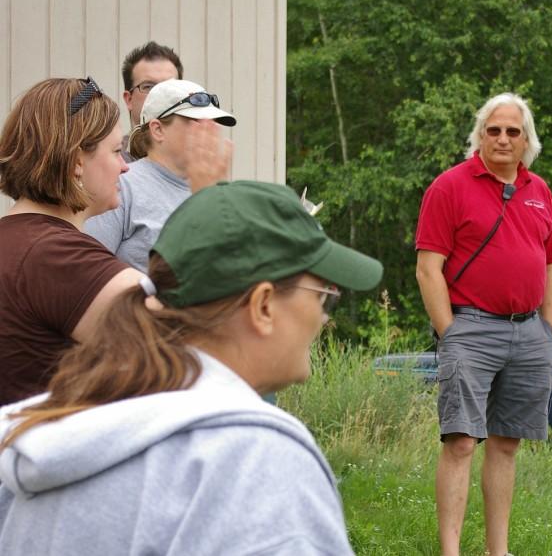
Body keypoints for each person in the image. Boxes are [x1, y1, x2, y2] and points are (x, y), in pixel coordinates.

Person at [0, 180, 383, 555]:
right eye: (322, 297)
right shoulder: (254, 462)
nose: (323, 319)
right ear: (263, 305)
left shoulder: (46, 437)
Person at [415, 92, 552, 555]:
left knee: (506, 444)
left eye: (512, 132)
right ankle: (451, 551)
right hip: (470, 329)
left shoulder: (540, 192)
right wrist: (450, 331)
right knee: (461, 442)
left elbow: (551, 263)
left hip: (529, 333)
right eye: (493, 130)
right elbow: (428, 267)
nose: (502, 138)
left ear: (526, 142)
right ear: (480, 135)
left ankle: (497, 550)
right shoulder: (450, 186)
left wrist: (546, 328)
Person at [0, 77, 142, 406]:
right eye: (117, 151)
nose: (125, 168)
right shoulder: (58, 257)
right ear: (77, 160)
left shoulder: (17, 242)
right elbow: (186, 350)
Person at [85, 78, 236, 271]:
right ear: (157, 130)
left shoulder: (217, 191)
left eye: (212, 123)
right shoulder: (122, 186)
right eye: (196, 122)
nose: (209, 132)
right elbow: (90, 271)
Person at [120, 41, 183, 162]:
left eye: (170, 86)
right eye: (148, 87)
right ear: (129, 99)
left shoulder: (196, 163)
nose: (160, 95)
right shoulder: (113, 160)